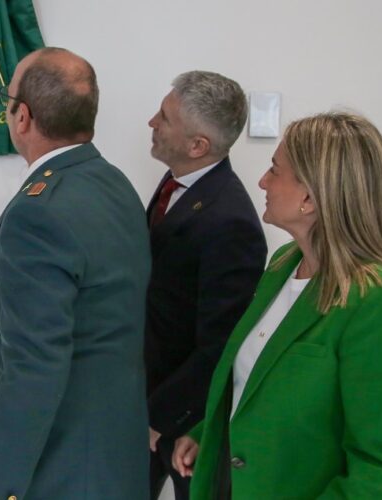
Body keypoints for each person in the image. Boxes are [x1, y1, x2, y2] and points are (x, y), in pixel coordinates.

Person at [171, 112, 382, 499]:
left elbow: (377, 468)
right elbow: (255, 383)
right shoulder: (283, 264)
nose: (262, 181)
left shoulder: (381, 302)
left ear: (310, 196)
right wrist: (207, 434)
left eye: (275, 170)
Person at [0, 47, 151, 499]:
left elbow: (32, 373)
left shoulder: (37, 215)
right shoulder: (115, 184)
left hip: (63, 472)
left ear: (22, 117)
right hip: (117, 457)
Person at [144, 71, 267, 500]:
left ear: (199, 146)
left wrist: (159, 418)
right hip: (147, 404)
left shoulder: (230, 221)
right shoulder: (175, 182)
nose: (151, 123)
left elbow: (219, 345)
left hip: (184, 424)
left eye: (164, 117)